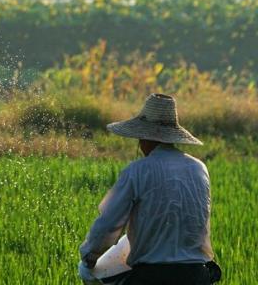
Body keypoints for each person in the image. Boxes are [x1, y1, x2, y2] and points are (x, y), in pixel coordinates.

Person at [78, 94, 215, 285]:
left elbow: (108, 225)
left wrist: (89, 259)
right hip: (197, 275)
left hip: (152, 277)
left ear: (143, 138)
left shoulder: (137, 171)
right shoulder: (199, 168)